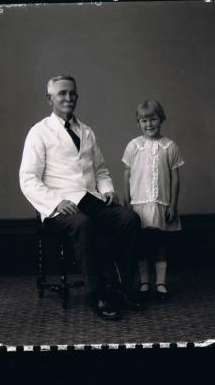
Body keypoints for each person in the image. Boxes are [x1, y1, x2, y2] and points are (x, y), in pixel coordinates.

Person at [19, 75, 142, 320]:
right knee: (84, 224)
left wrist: (107, 189)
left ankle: (125, 288)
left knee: (128, 218)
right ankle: (99, 294)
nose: (68, 98)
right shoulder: (39, 132)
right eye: (62, 93)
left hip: (89, 197)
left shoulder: (86, 131)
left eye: (72, 93)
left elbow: (100, 170)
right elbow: (28, 178)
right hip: (59, 205)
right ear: (49, 98)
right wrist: (55, 203)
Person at [122, 99, 184, 303]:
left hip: (161, 203)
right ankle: (144, 282)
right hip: (139, 202)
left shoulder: (169, 146)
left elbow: (175, 177)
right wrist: (127, 200)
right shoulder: (134, 146)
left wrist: (173, 205)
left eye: (153, 119)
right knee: (141, 243)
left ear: (161, 119)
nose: (149, 124)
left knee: (160, 243)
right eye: (143, 120)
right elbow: (127, 174)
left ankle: (161, 283)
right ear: (138, 122)